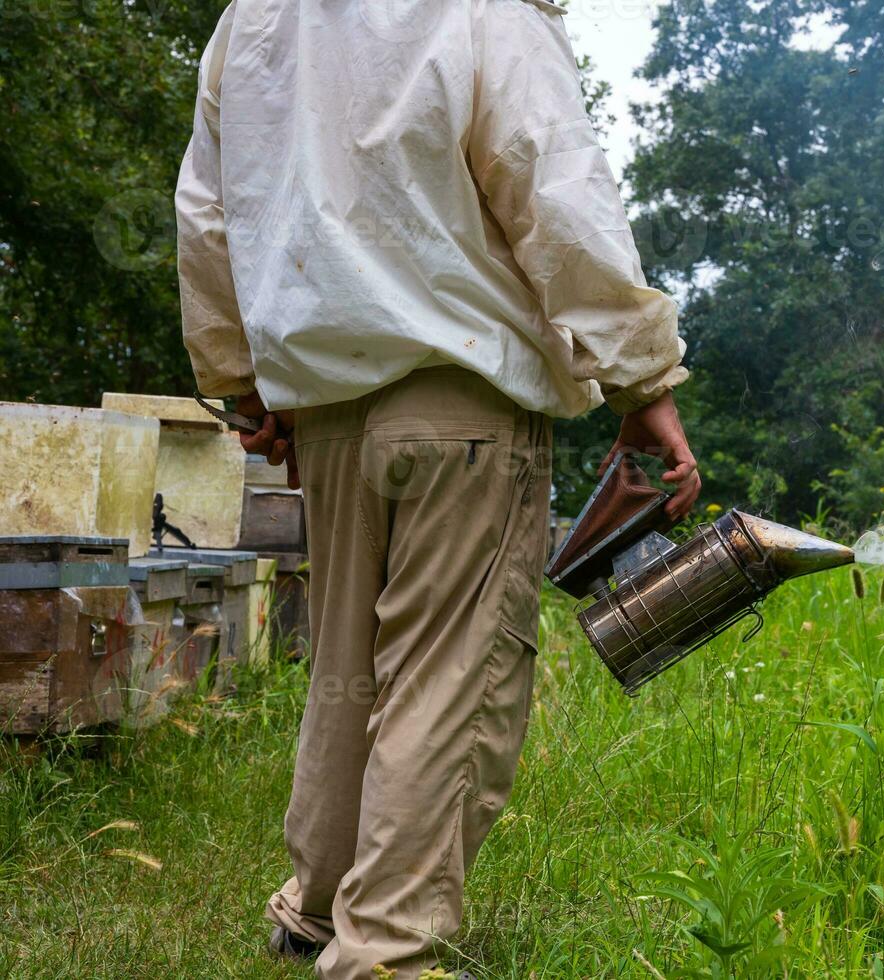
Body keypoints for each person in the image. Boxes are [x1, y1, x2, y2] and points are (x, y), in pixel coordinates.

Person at [174, 0, 699, 973]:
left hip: (324, 409)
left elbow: (207, 209)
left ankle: (317, 908)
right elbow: (555, 184)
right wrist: (643, 375)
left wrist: (244, 378)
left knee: (346, 670)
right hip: (463, 398)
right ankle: (383, 951)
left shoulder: (253, 19)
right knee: (453, 680)